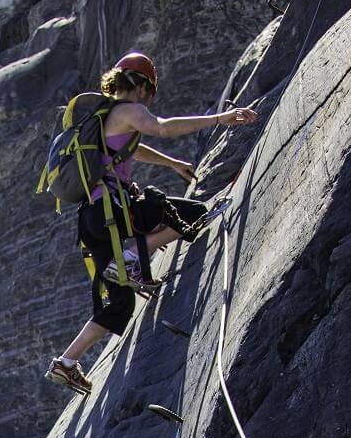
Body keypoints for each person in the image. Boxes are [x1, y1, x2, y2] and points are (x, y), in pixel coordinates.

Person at [47, 51, 257, 394]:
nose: (149, 97)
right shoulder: (130, 109)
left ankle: (66, 362)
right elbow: (162, 128)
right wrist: (221, 118)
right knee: (190, 214)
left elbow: (132, 150)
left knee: (120, 303)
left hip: (92, 218)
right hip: (113, 212)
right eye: (149, 90)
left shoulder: (103, 117)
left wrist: (172, 164)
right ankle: (127, 260)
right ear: (143, 85)